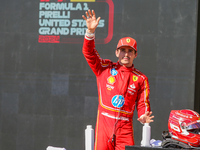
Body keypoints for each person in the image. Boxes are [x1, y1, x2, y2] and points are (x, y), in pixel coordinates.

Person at [82, 9, 154, 150]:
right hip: (104, 124)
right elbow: (89, 53)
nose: (126, 54)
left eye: (130, 51)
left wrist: (144, 115)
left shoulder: (141, 78)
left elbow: (142, 103)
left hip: (125, 128)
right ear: (116, 52)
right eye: (123, 50)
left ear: (135, 55)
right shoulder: (105, 68)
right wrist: (90, 32)